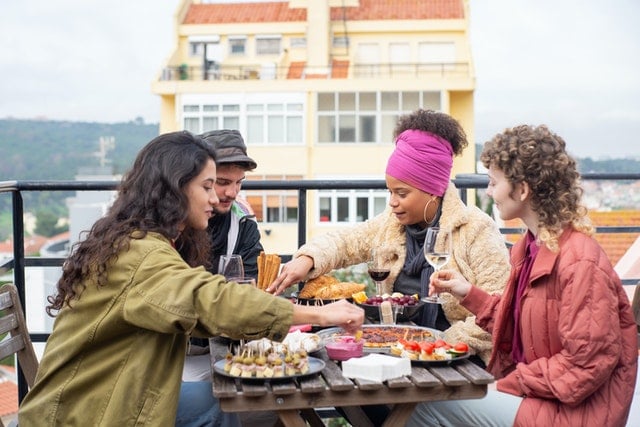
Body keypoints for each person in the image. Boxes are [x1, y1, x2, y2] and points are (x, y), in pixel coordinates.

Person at [18, 131, 365, 426]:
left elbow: (194, 305)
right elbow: (208, 300)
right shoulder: (142, 255)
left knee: (224, 397)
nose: (217, 198)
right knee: (224, 404)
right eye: (208, 186)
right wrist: (321, 314)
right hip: (86, 411)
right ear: (175, 189)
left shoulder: (137, 240)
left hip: (112, 388)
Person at [408, 124, 638, 427]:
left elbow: (585, 366)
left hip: (577, 415)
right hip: (548, 400)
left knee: (427, 405)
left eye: (494, 182)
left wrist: (506, 385)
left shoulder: (580, 262)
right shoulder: (530, 248)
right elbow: (520, 323)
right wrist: (468, 293)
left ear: (522, 189)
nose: (489, 192)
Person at [269, 109, 510, 365]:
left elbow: (498, 312)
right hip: (395, 349)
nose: (392, 202)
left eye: (402, 193)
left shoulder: (477, 230)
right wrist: (307, 259)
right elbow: (346, 242)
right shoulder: (391, 223)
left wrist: (434, 343)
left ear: (432, 191)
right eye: (390, 191)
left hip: (456, 360)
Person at [179, 129, 273, 427]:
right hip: (174, 352)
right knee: (241, 399)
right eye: (220, 183)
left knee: (275, 399)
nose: (231, 193)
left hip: (217, 346)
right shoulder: (172, 225)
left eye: (238, 184)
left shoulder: (241, 221)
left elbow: (250, 288)